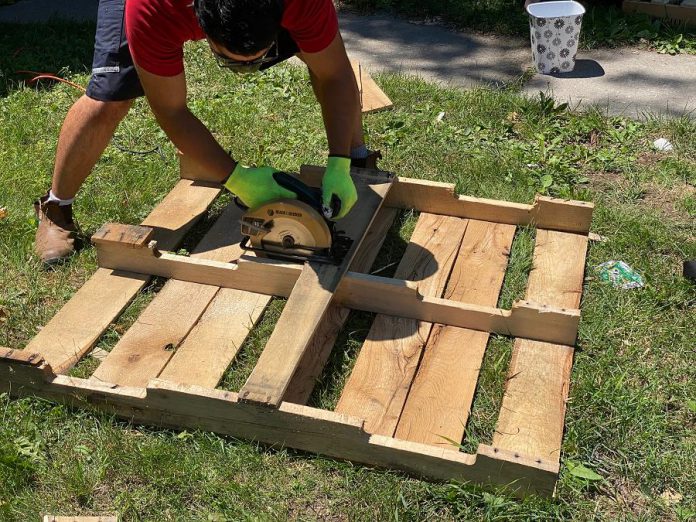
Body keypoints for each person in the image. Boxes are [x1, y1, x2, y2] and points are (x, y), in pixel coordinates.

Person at [34, 0, 377, 266]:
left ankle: (357, 159)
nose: (247, 70)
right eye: (233, 61)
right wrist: (236, 177)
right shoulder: (154, 10)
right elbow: (171, 110)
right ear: (200, 23)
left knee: (325, 61)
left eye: (258, 58)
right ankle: (55, 208)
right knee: (109, 99)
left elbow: (336, 75)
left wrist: (339, 161)